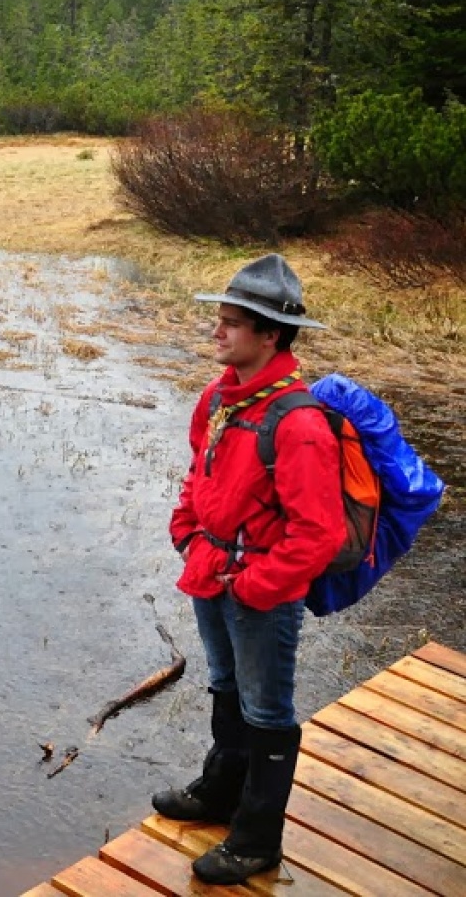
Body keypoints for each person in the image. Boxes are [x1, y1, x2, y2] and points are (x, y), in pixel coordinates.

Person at [156, 254, 344, 885]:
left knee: (267, 709)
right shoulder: (218, 397)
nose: (217, 331)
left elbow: (319, 533)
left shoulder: (299, 425)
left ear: (271, 336)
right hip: (209, 572)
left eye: (232, 323)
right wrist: (186, 530)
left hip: (259, 592)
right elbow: (199, 471)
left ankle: (258, 838)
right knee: (224, 685)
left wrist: (256, 586)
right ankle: (219, 793)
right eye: (219, 318)